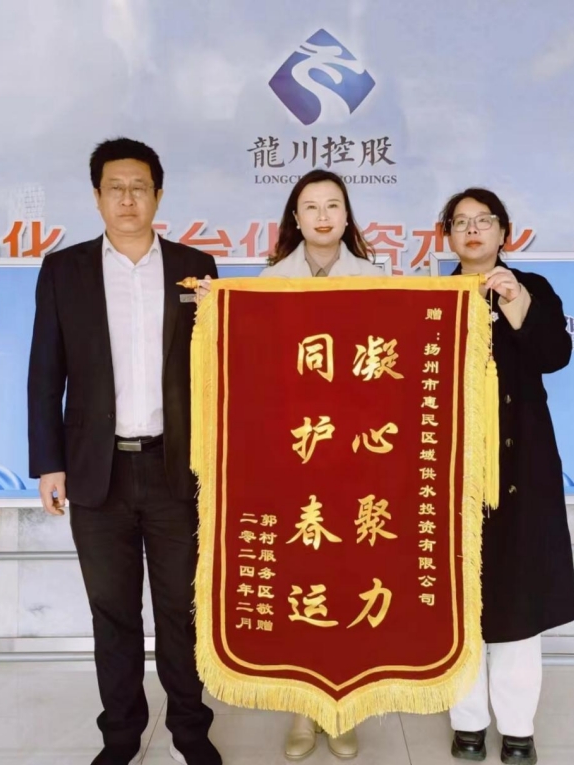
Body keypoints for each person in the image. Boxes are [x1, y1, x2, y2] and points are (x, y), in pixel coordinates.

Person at [27, 137, 221, 765]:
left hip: (175, 469)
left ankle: (190, 730)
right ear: (97, 197)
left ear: (158, 195)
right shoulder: (66, 270)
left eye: (139, 187)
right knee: (111, 612)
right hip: (96, 470)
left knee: (181, 610)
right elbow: (45, 373)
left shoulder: (196, 268)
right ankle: (120, 736)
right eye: (115, 188)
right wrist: (49, 462)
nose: (128, 199)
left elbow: (217, 368)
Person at [198, 169, 381, 759]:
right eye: (311, 206)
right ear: (295, 219)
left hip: (354, 458)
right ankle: (304, 713)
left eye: (333, 205)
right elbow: (252, 370)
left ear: (347, 217)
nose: (323, 216)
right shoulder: (269, 282)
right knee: (301, 583)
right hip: (295, 455)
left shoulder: (378, 281)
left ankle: (343, 710)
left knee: (350, 580)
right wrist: (216, 312)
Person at [438, 188, 574, 765]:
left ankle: (518, 728)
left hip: (522, 465)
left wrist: (515, 298)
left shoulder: (532, 287)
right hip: (453, 470)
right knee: (459, 598)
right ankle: (468, 722)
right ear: (447, 236)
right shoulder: (435, 296)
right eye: (460, 222)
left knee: (519, 599)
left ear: (504, 233)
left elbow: (555, 355)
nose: (472, 230)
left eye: (483, 221)